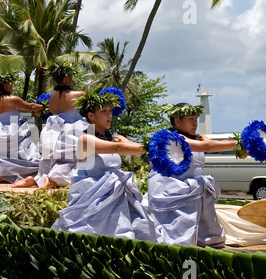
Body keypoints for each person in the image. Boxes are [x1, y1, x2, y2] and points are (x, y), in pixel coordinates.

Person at [51, 91, 161, 242]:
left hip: (116, 194)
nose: (109, 116)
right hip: (93, 199)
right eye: (103, 112)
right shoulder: (85, 139)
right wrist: (153, 147)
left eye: (110, 111)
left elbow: (134, 146)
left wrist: (160, 147)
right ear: (91, 116)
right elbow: (117, 148)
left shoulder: (116, 138)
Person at [144, 102, 237, 247]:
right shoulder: (171, 138)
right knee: (179, 237)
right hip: (175, 190)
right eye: (190, 119)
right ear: (177, 121)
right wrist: (240, 144)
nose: (195, 123)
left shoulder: (195, 138)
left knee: (211, 237)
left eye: (195, 118)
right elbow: (206, 146)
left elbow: (207, 144)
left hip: (195, 188)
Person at [12, 62, 87, 189]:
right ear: (68, 78)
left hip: (51, 130)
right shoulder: (79, 95)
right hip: (73, 129)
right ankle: (52, 181)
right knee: (71, 161)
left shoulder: (52, 98)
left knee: (49, 160)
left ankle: (38, 178)